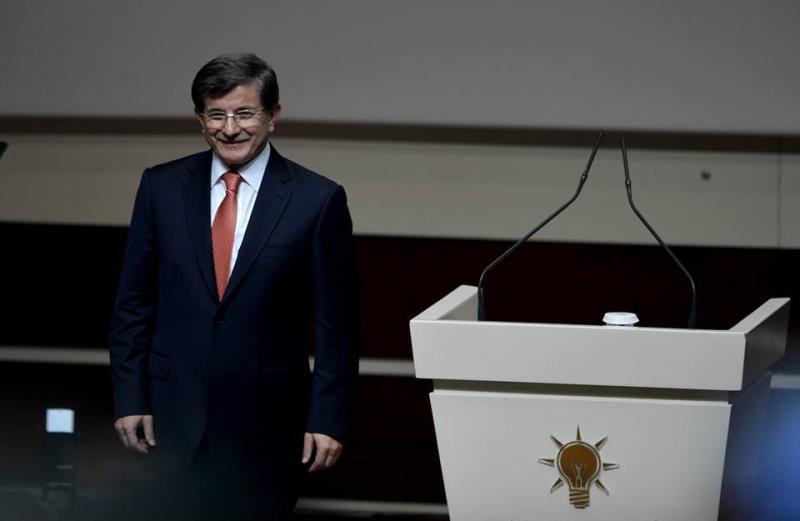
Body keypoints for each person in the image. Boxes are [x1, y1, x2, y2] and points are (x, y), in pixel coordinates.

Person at [108, 53, 359, 520]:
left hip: (268, 429)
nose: (230, 128)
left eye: (244, 113)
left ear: (273, 115)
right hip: (169, 422)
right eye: (216, 114)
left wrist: (328, 418)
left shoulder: (317, 199)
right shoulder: (160, 187)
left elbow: (337, 326)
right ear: (199, 118)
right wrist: (130, 397)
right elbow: (133, 305)